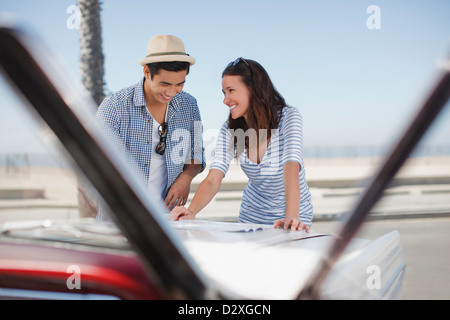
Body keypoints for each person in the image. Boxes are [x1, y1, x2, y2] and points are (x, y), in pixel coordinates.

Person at [170, 57, 313, 231]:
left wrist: (291, 218)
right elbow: (213, 178)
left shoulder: (288, 117)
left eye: (231, 90)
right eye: (224, 93)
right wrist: (191, 212)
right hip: (252, 216)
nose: (225, 100)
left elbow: (291, 166)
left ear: (253, 89)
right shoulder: (230, 129)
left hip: (295, 214)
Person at [96, 35, 205, 221]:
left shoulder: (189, 105)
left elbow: (195, 155)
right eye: (164, 84)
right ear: (147, 72)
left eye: (179, 84)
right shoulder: (114, 108)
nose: (171, 93)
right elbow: (103, 168)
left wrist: (186, 177)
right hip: (120, 221)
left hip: (169, 221)